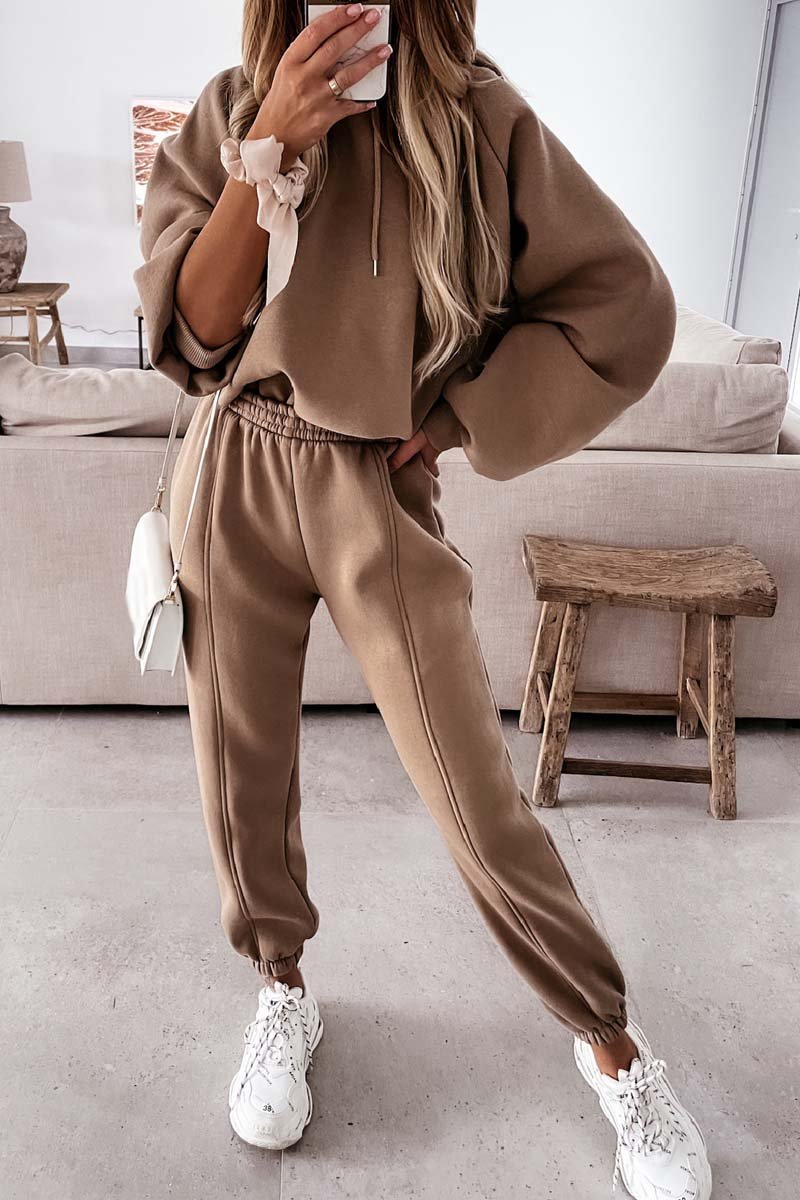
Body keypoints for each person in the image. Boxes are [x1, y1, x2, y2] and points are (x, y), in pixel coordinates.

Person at [133, 4, 711, 1197]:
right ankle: (280, 991)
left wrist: (457, 419)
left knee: (470, 793)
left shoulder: (480, 120)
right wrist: (267, 145)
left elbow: (625, 303)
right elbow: (193, 333)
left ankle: (609, 1042)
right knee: (238, 770)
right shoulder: (232, 103)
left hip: (373, 481)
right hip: (232, 467)